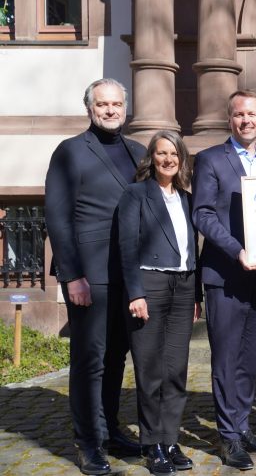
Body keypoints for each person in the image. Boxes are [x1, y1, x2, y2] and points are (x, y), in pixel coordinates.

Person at [45, 78, 144, 475]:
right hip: (89, 274)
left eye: (117, 104)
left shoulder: (137, 152)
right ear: (89, 108)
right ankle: (88, 443)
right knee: (89, 361)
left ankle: (110, 429)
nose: (110, 110)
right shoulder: (70, 151)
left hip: (128, 272)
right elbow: (57, 216)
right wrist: (72, 276)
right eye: (102, 104)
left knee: (117, 357)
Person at [192, 90, 256, 470]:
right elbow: (203, 214)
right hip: (226, 273)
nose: (246, 120)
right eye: (239, 114)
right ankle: (227, 438)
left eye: (252, 114)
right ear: (230, 119)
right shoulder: (211, 159)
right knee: (226, 358)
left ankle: (241, 426)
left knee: (250, 357)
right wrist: (237, 250)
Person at [118, 131, 201, 475]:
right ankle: (151, 444)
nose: (168, 159)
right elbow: (127, 246)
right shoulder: (135, 194)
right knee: (150, 370)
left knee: (176, 370)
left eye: (173, 154)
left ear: (181, 159)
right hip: (149, 285)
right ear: (151, 158)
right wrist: (135, 293)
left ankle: (169, 439)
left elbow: (191, 248)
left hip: (183, 287)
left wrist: (197, 295)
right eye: (161, 153)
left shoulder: (185, 197)